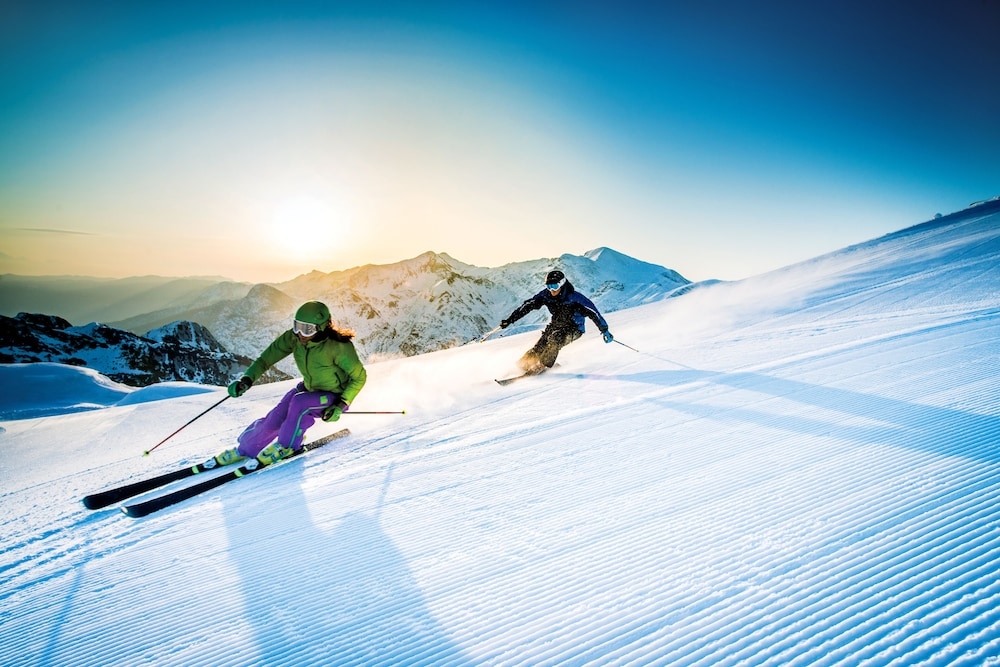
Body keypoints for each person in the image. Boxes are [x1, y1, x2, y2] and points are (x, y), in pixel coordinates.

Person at [209, 301, 367, 468]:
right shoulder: (293, 338)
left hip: (334, 396)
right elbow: (265, 360)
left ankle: (287, 446)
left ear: (322, 327)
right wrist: (246, 379)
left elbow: (359, 377)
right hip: (309, 389)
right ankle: (246, 448)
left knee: (300, 403)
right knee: (276, 417)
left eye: (307, 329)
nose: (300, 334)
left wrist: (341, 405)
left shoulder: (339, 347)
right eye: (297, 326)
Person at [498, 269, 614, 374]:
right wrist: (510, 320)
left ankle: (542, 366)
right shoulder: (545, 295)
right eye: (549, 286)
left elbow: (594, 313)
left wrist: (604, 330)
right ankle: (521, 367)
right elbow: (527, 306)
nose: (552, 290)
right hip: (555, 325)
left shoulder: (575, 298)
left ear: (562, 283)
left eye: (554, 286)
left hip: (575, 328)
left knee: (555, 339)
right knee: (539, 347)